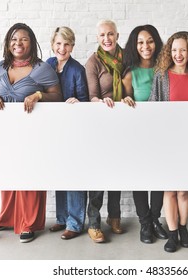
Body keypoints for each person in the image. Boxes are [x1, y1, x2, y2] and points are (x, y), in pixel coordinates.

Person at [0, 23, 62, 243]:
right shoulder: (2, 66)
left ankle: (28, 222)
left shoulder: (41, 68)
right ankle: (7, 217)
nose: (17, 43)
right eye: (13, 39)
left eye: (23, 39)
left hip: (33, 132)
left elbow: (57, 95)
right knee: (9, 174)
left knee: (29, 175)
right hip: (6, 132)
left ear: (32, 42)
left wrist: (38, 95)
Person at [149, 31, 188, 252]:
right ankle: (172, 234)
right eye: (174, 50)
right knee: (170, 190)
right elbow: (153, 104)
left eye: (182, 49)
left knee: (183, 190)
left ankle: (183, 228)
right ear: (169, 52)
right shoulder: (162, 75)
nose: (178, 54)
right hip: (167, 141)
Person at [122, 24, 168, 244]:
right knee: (139, 178)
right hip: (138, 135)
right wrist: (125, 100)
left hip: (162, 133)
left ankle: (156, 219)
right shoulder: (130, 74)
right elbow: (126, 104)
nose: (145, 46)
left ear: (156, 43)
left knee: (159, 178)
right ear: (134, 45)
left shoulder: (165, 70)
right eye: (140, 42)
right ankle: (144, 223)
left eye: (149, 41)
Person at [85, 19, 127, 243]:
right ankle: (93, 222)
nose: (107, 39)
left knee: (117, 171)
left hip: (123, 124)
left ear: (117, 36)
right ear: (97, 38)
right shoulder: (93, 62)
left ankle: (114, 217)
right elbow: (92, 95)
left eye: (110, 34)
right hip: (101, 124)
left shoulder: (127, 58)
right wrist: (100, 102)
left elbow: (131, 85)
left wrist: (127, 96)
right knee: (99, 173)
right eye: (102, 35)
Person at [46, 26, 89, 240]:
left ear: (72, 46)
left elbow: (85, 100)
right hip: (54, 129)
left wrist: (77, 102)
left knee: (74, 175)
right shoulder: (47, 65)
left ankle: (75, 222)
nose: (62, 48)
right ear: (53, 44)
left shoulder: (77, 69)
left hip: (74, 130)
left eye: (67, 44)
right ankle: (62, 218)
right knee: (59, 173)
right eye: (58, 44)